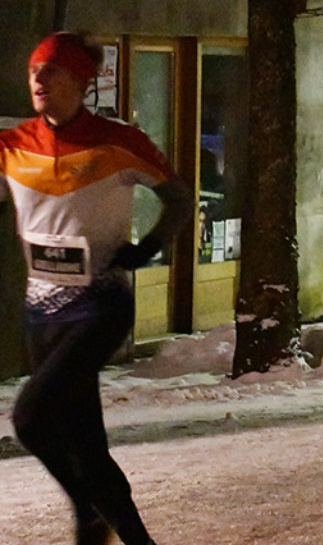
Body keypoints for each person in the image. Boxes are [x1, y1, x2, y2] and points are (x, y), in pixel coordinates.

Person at [3, 32, 191, 545]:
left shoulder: (118, 141)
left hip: (101, 305)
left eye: (51, 70)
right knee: (86, 444)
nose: (38, 79)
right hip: (41, 313)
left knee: (30, 417)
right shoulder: (13, 145)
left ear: (80, 81)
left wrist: (149, 246)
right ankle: (116, 529)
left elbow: (178, 198)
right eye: (34, 69)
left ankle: (87, 510)